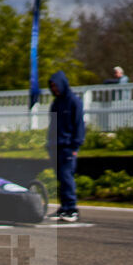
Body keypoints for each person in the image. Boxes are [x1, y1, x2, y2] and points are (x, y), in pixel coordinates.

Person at [47, 71, 85, 223]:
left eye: (56, 85)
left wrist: (76, 145)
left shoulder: (74, 101)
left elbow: (79, 124)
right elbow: (52, 126)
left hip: (68, 146)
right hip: (55, 145)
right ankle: (63, 207)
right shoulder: (56, 103)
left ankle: (71, 209)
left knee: (66, 177)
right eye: (52, 86)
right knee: (61, 178)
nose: (55, 89)